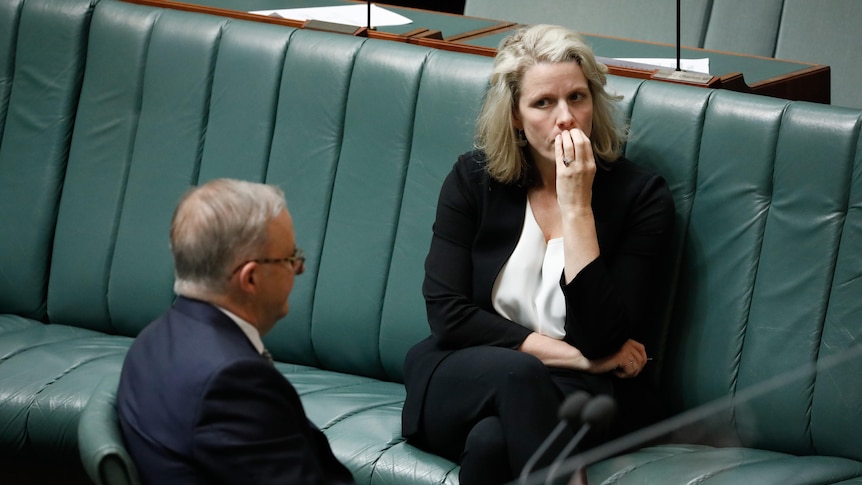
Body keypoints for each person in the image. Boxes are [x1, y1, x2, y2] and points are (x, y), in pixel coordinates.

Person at [401, 24, 675, 484]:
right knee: (518, 375)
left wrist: (577, 208)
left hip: (582, 391)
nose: (565, 118)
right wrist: (579, 357)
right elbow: (449, 315)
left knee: (491, 444)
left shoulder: (641, 196)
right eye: (543, 103)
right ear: (514, 115)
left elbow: (605, 338)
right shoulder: (473, 179)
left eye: (577, 98)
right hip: (466, 372)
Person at [117, 178, 355, 485]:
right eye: (291, 259)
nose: (300, 269)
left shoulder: (151, 340)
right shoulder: (234, 383)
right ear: (251, 278)